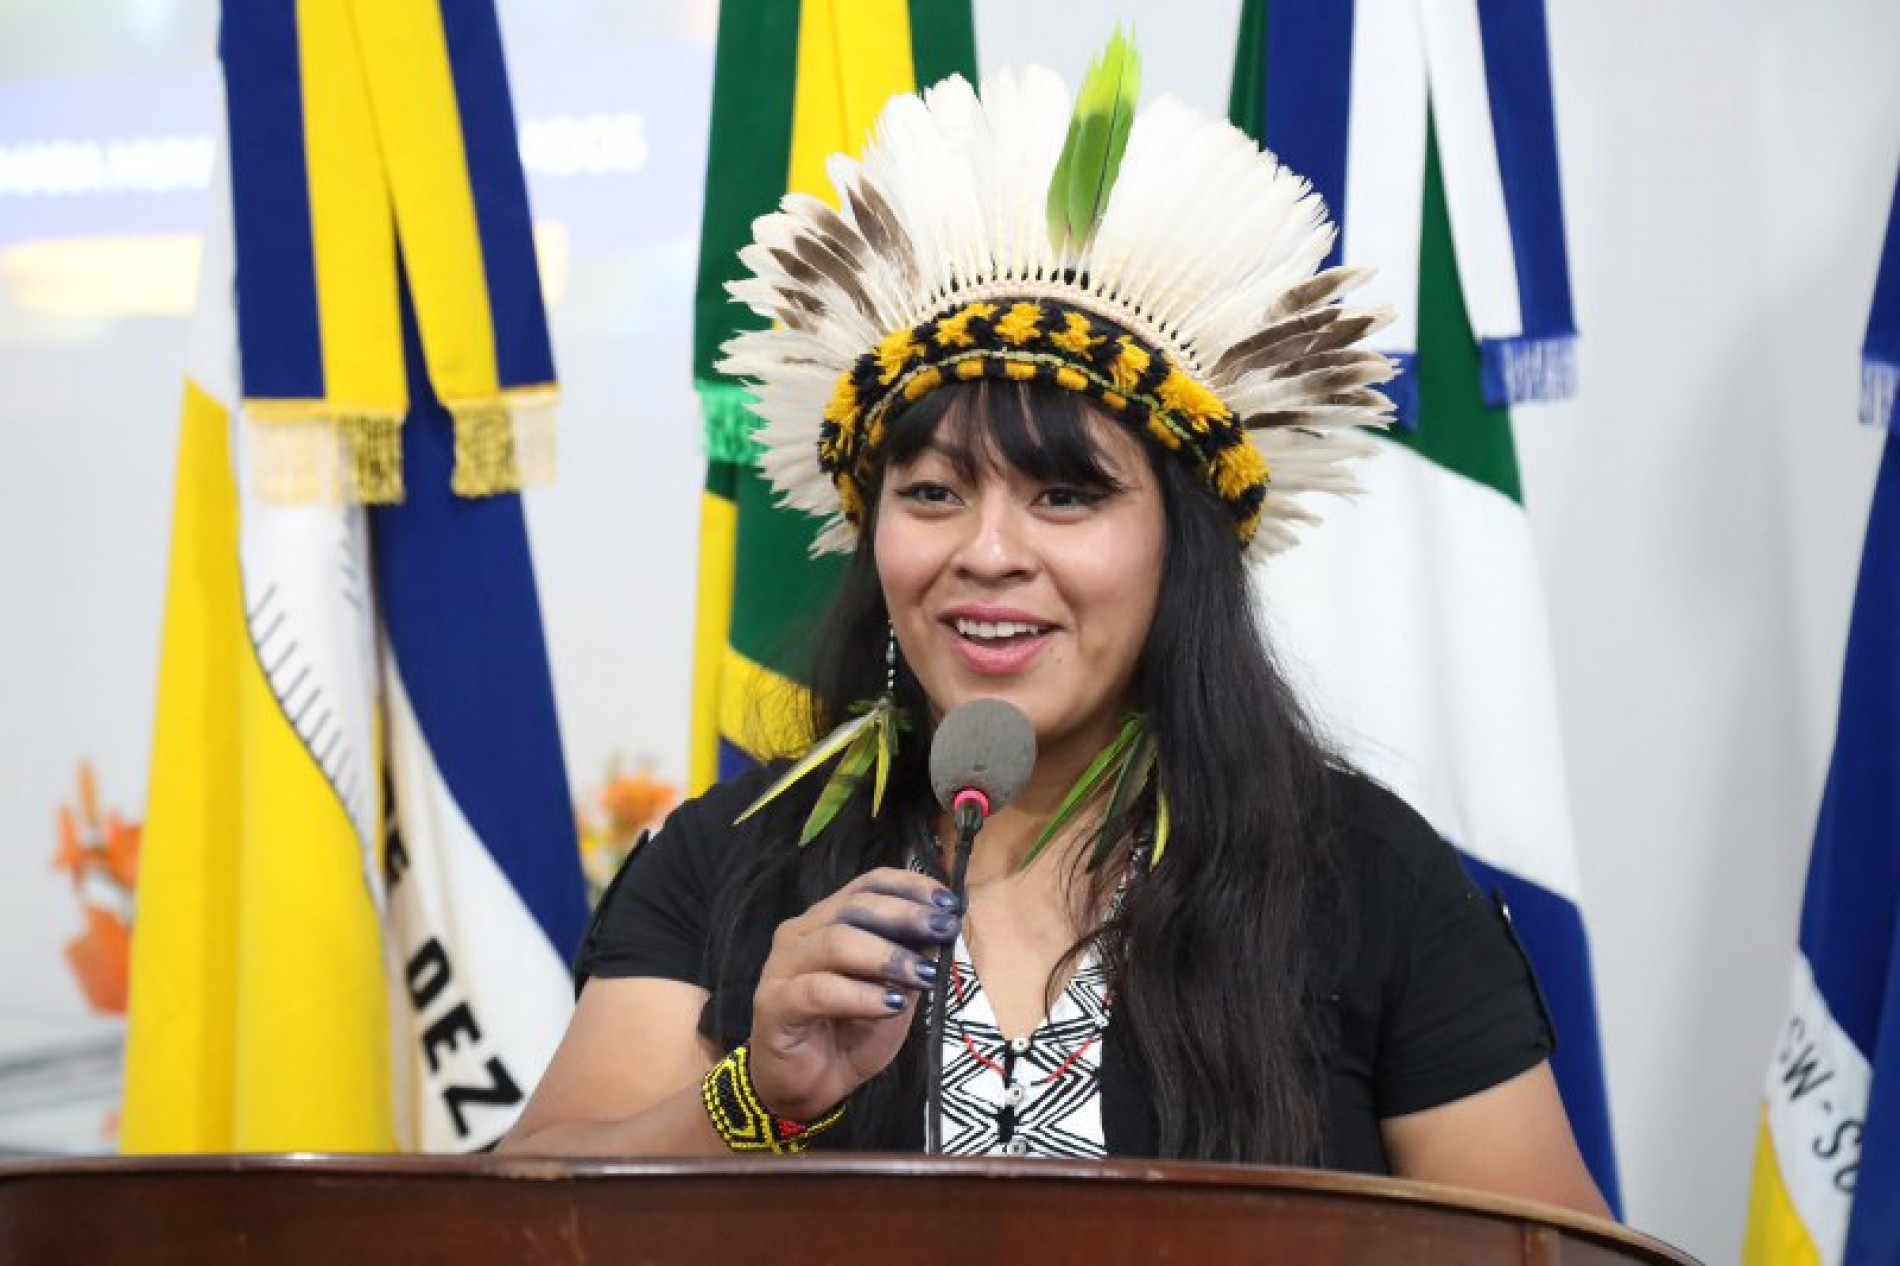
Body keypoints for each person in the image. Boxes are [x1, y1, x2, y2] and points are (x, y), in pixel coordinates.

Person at [500, 40, 1609, 1216]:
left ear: (1183, 552)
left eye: (1065, 496)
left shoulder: (1359, 873)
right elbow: (506, 1222)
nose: (987, 552)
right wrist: (753, 1100)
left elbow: (1546, 1244)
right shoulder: (734, 857)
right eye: (933, 492)